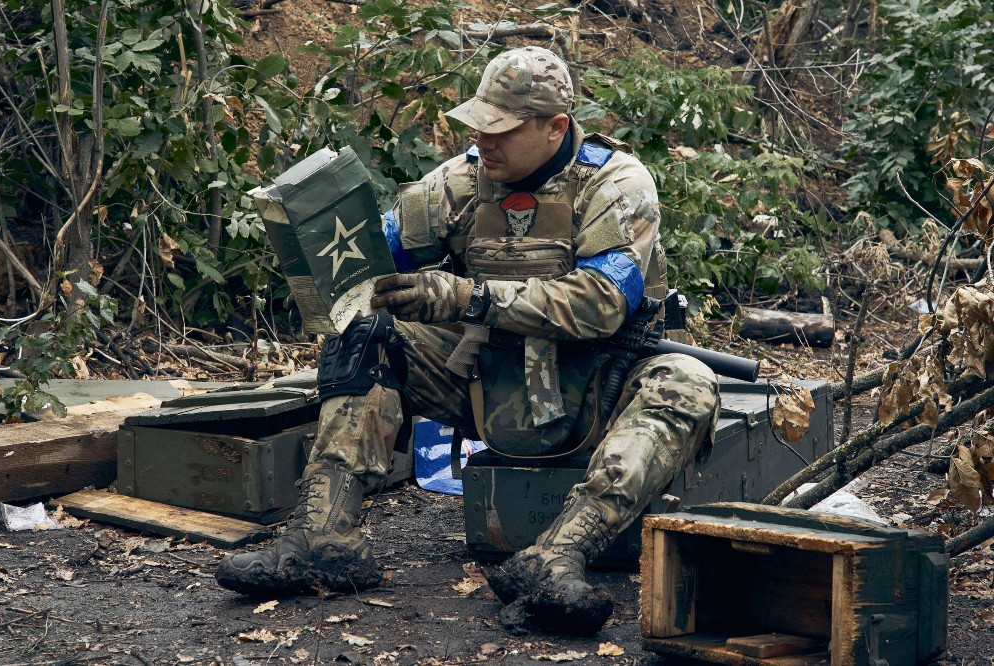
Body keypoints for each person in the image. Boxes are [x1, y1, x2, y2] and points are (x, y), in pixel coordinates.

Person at [215, 45, 720, 636]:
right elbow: (375, 257)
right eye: (479, 126)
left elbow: (600, 305)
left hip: (598, 387)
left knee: (687, 383)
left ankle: (555, 557)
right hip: (487, 382)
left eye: (502, 130)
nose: (485, 142)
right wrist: (322, 253)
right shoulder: (459, 183)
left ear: (556, 127)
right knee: (367, 331)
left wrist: (467, 298)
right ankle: (324, 539)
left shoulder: (615, 185)